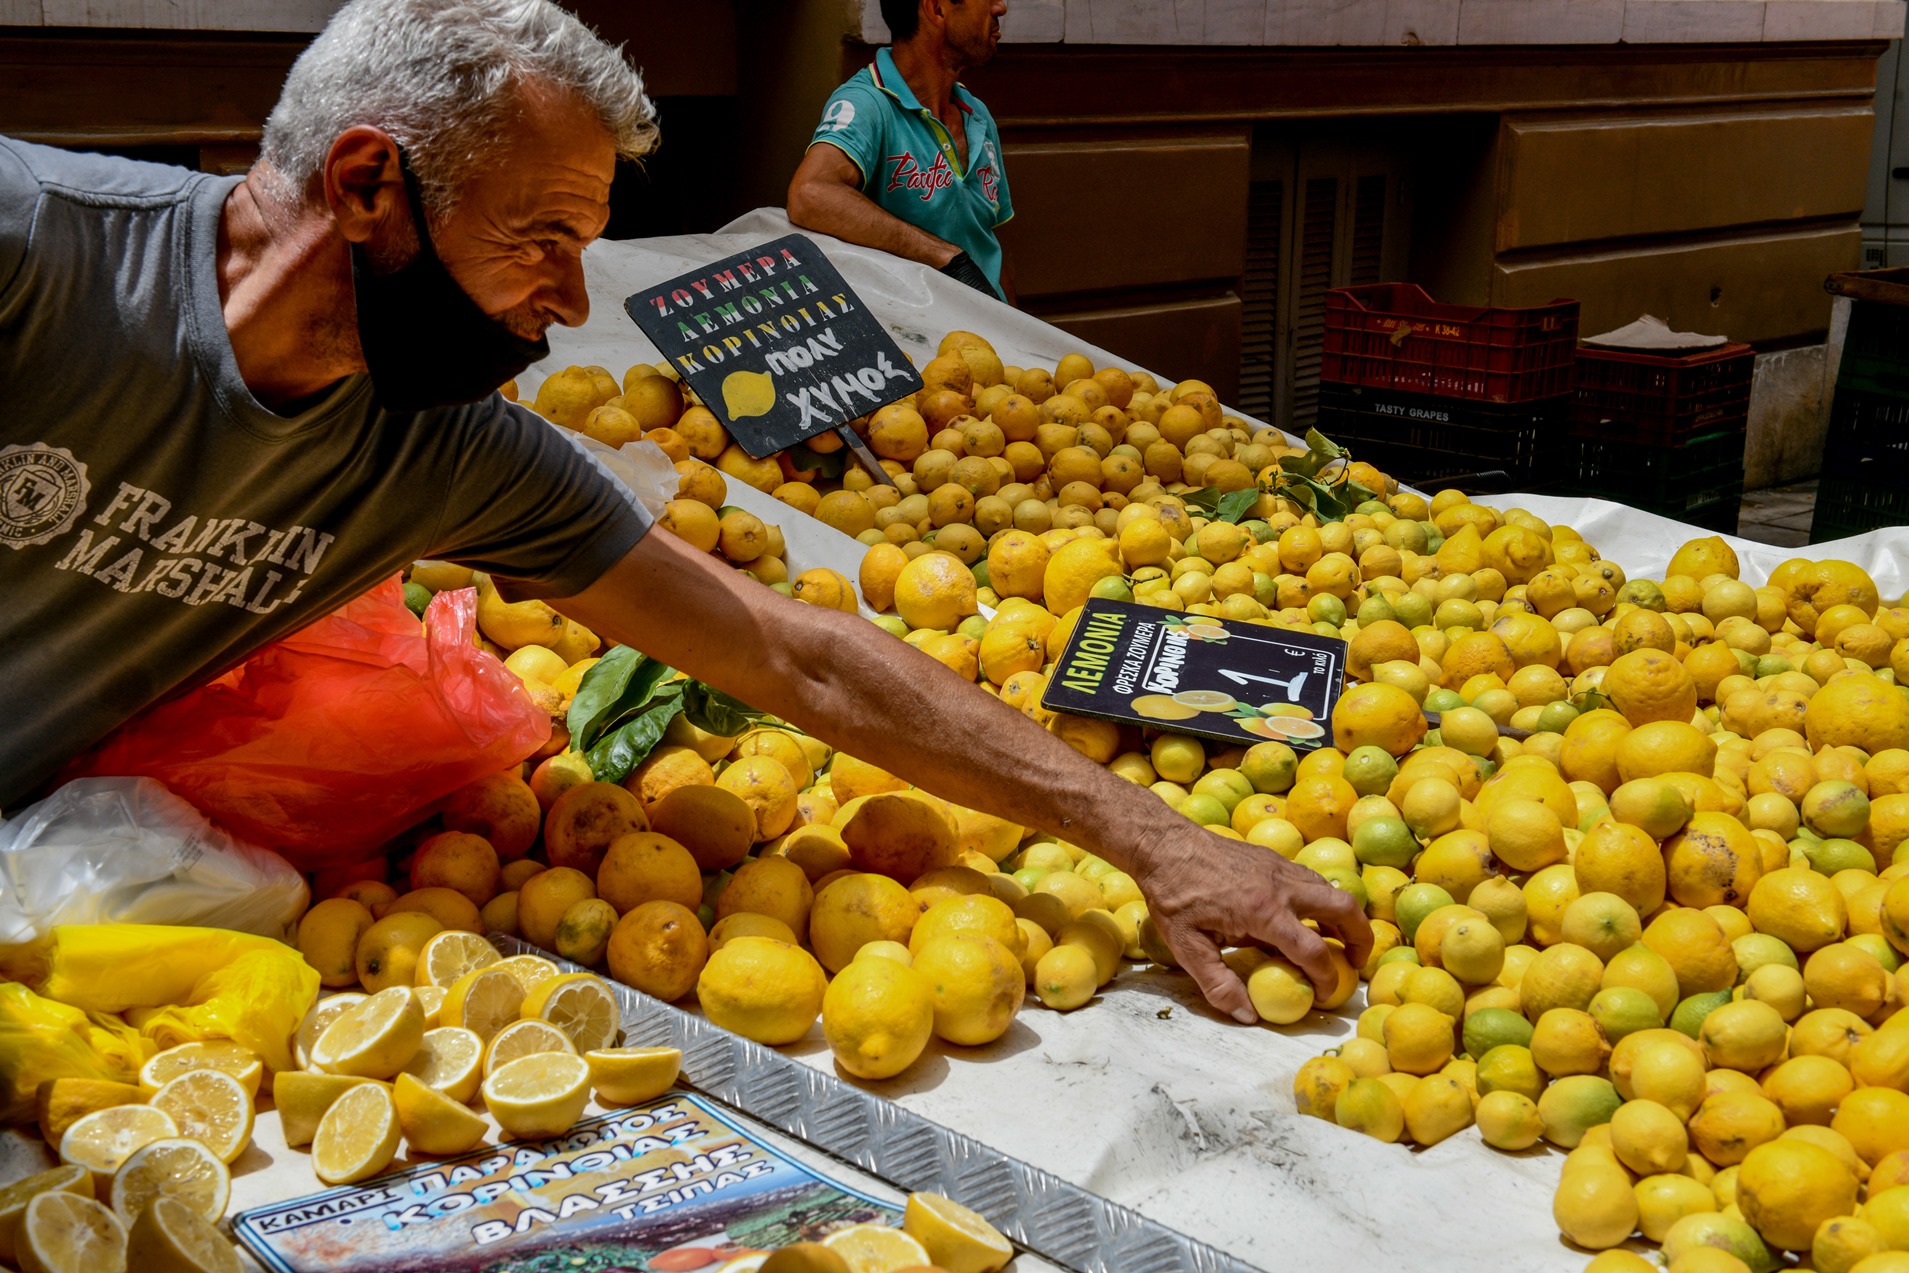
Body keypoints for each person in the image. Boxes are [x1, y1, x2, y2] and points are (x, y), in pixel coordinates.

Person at [0, 0, 1366, 1024]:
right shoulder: (37, 255)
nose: (574, 303)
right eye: (543, 238)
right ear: (367, 187)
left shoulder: (437, 449)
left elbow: (793, 651)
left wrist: (1162, 844)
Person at [788, 0, 1015, 303]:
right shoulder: (867, 104)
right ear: (937, 9)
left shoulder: (978, 114)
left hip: (990, 337)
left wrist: (1018, 328)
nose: (1000, 7)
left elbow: (987, 244)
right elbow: (810, 193)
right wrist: (943, 255)